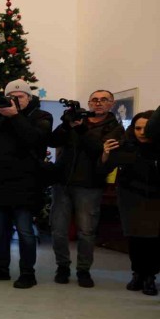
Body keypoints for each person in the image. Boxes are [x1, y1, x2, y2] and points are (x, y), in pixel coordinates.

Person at [0, 79, 53, 289]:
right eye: (11, 97)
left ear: (28, 97)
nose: (14, 101)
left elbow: (35, 140)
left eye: (19, 97)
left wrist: (16, 116)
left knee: (25, 232)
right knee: (0, 231)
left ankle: (28, 273)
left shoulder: (42, 116)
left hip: (26, 184)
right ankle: (1, 268)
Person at [48, 90, 125, 288]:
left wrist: (81, 129)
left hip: (90, 185)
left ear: (112, 104)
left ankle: (83, 270)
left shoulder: (115, 128)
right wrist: (67, 124)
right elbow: (53, 141)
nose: (98, 103)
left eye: (103, 100)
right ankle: (62, 266)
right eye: (94, 100)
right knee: (58, 230)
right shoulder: (76, 120)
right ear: (89, 103)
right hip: (62, 182)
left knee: (86, 231)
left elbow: (98, 150)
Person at [101, 110, 160, 296]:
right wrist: (105, 154)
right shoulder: (125, 146)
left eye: (146, 128)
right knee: (135, 238)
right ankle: (138, 274)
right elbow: (104, 168)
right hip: (130, 198)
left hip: (156, 198)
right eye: (137, 128)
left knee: (154, 240)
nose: (141, 132)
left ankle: (150, 276)